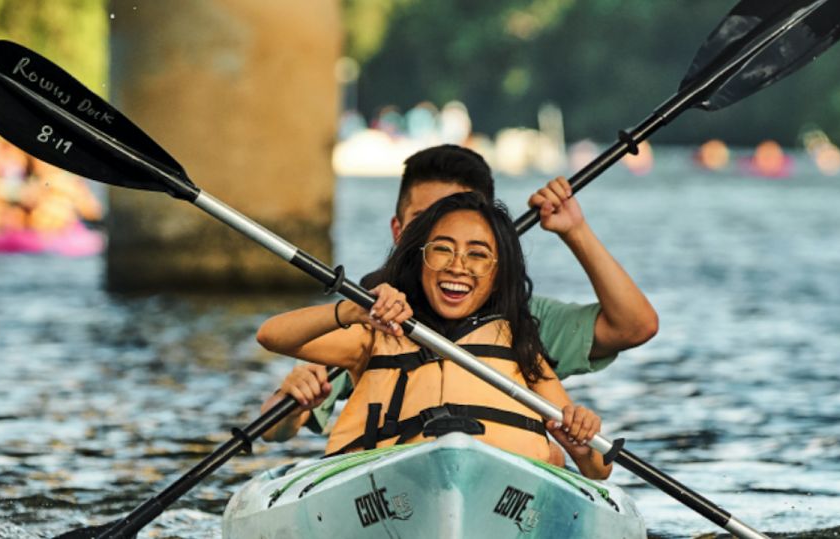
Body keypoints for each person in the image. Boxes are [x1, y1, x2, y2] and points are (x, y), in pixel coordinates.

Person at [260, 144, 657, 444]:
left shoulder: (523, 323)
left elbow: (635, 326)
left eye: (467, 229)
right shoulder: (372, 318)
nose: (453, 252)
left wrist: (575, 231)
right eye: (429, 227)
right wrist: (296, 401)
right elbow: (275, 427)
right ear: (402, 233)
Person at [258, 192, 611, 478]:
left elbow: (598, 469)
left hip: (500, 491)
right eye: (442, 249)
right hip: (386, 486)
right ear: (418, 259)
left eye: (478, 254)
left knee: (552, 457)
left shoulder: (520, 344)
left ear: (498, 272)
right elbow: (272, 336)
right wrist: (350, 311)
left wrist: (582, 445)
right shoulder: (375, 333)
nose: (458, 265)